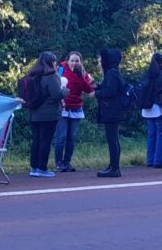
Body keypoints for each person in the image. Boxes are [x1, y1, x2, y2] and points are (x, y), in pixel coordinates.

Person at [24, 52, 67, 178]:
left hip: (34, 113)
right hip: (48, 114)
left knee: (36, 140)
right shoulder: (51, 76)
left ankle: (34, 167)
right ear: (51, 63)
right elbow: (56, 95)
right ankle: (42, 167)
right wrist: (66, 90)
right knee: (45, 141)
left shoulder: (33, 76)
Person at [53, 51, 94, 172]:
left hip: (76, 107)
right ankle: (59, 162)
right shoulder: (60, 69)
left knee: (72, 136)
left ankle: (67, 162)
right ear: (67, 61)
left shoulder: (83, 73)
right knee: (61, 136)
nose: (74, 63)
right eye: (72, 60)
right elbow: (55, 86)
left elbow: (88, 89)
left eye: (77, 61)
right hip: (63, 107)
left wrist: (81, 76)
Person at [94, 49, 127, 178]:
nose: (100, 62)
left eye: (101, 60)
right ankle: (113, 165)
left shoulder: (111, 73)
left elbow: (110, 92)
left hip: (112, 110)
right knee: (113, 139)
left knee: (112, 139)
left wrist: (95, 93)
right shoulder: (113, 72)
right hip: (112, 110)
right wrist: (97, 87)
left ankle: (115, 167)